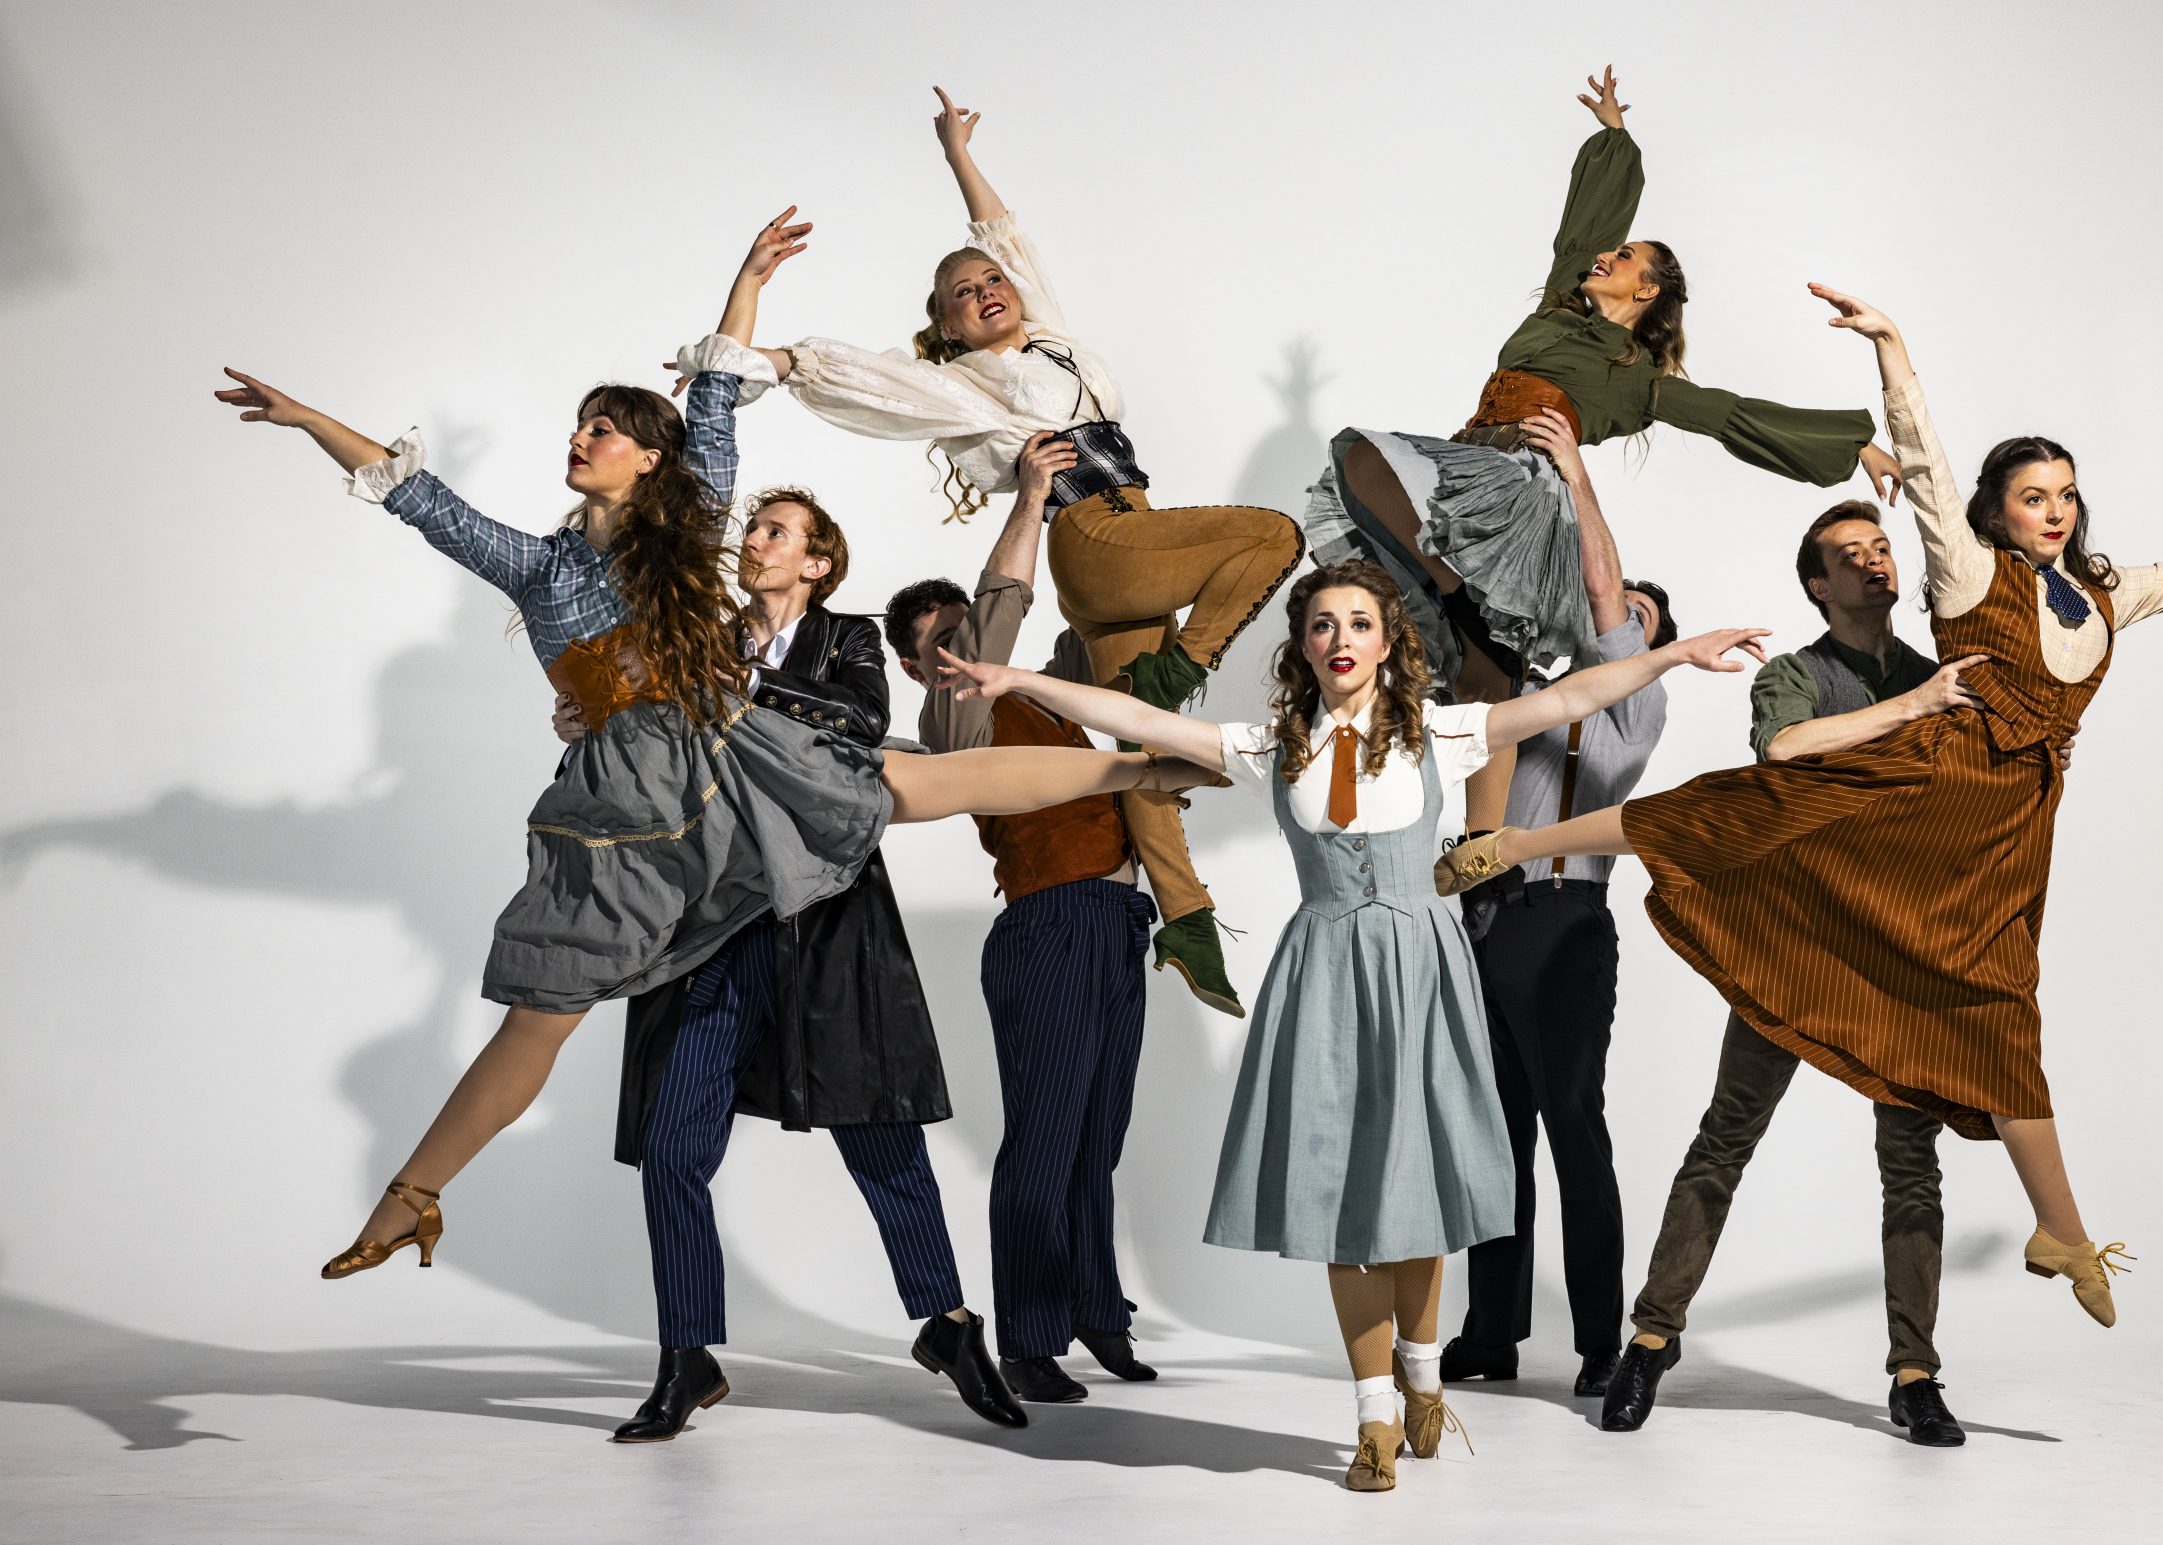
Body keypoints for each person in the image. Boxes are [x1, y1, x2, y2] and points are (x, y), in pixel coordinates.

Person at [215, 209, 1218, 1287]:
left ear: (649, 461)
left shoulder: (690, 527)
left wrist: (748, 281)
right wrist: (305, 416)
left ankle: (1151, 763)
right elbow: (422, 503)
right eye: (580, 426)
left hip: (727, 751)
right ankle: (410, 1199)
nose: (581, 439)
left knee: (917, 783)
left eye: (604, 428)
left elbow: (719, 399)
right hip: (620, 803)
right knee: (538, 1020)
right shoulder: (537, 569)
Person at [1438, 286, 2163, 1339]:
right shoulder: (1969, 575)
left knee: (2002, 1012)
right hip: (1925, 781)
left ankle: (2057, 1230)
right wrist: (1893, 351)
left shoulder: (2105, 594)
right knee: (1732, 808)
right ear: (1998, 512)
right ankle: (1518, 841)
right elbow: (1924, 466)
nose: (2053, 509)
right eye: (2031, 495)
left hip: (2004, 834)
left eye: (2064, 493)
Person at [937, 559, 1769, 1491]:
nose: (1341, 639)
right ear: (1303, 643)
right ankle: (1374, 1414)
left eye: (1359, 623)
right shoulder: (1273, 745)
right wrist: (1015, 680)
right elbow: (1144, 723)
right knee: (1338, 1196)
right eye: (1323, 623)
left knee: (1414, 1201)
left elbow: (1572, 694)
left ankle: (1421, 1375)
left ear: (1389, 641)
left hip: (1421, 969)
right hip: (1326, 973)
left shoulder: (1441, 731)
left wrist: (1676, 655)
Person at [712, 89, 1303, 1018]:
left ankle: (1185, 921)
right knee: (1271, 536)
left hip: (1123, 547)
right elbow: (851, 374)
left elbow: (1005, 236)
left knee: (1139, 745)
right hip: (1096, 533)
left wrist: (958, 153)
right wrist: (754, 338)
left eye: (991, 282)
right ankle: (1176, 667)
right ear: (947, 327)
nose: (985, 292)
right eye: (961, 295)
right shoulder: (964, 386)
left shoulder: (1058, 341)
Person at [1300, 65, 1893, 832]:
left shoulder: (1640, 379)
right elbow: (1580, 231)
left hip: (1530, 483)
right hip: (1472, 456)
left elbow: (1730, 414)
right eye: (1612, 252)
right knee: (1360, 461)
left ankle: (1481, 844)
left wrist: (1859, 445)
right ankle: (1454, 607)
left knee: (1494, 677)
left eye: (1627, 258)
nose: (1607, 259)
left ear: (1648, 290)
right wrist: (1614, 140)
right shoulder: (1559, 304)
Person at [548, 484, 1022, 1440]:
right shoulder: (702, 640)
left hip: (827, 919)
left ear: (816, 560)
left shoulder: (844, 638)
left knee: (880, 1135)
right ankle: (688, 1355)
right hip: (710, 927)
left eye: (777, 530)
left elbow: (853, 724)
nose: (754, 539)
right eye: (753, 527)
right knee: (674, 1149)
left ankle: (951, 1326)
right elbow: (652, 750)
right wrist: (594, 723)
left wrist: (738, 688)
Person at [1595, 497, 2053, 1445]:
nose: (1876, 562)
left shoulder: (1943, 675)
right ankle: (1650, 1339)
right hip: (1795, 948)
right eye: (1852, 554)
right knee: (1726, 1138)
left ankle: (1915, 1372)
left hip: (1902, 954)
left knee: (1911, 1165)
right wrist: (1918, 710)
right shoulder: (1802, 676)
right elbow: (1784, 750)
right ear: (1818, 583)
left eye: (1883, 547)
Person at [885, 431, 1160, 1405]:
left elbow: (1091, 629)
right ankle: (1029, 1338)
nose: (963, 647)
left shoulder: (1035, 704)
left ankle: (1095, 1312)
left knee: (1097, 1138)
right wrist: (1029, 499)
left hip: (1115, 923)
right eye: (941, 643)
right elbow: (1006, 611)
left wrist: (1110, 506)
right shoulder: (952, 724)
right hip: (1049, 926)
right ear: (925, 665)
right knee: (1046, 1140)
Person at [1435, 410, 1674, 1399]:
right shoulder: (1529, 690)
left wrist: (1575, 477)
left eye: (1643, 619)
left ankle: (1596, 1342)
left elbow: (1602, 589)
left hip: (1566, 924)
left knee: (1574, 1124)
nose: (1622, 619)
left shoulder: (1635, 701)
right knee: (1495, 1137)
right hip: (1485, 919)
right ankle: (1491, 1334)